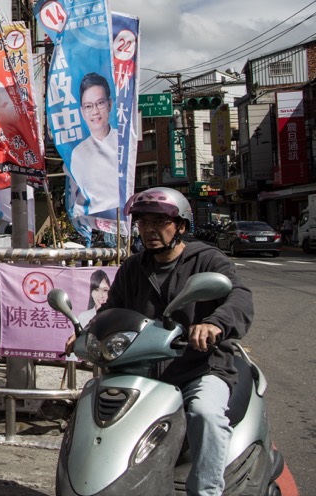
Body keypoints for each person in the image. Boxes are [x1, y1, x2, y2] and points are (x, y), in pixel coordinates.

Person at [74, 187, 253, 496]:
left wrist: (213, 324)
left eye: (159, 221)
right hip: (143, 368)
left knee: (205, 414)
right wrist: (88, 332)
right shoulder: (134, 267)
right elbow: (111, 309)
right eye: (143, 222)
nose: (149, 230)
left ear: (181, 226)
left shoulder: (207, 260)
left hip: (198, 367)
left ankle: (207, 491)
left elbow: (239, 297)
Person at [67, 72, 120, 215]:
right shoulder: (77, 153)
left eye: (100, 103)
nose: (95, 112)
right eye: (88, 106)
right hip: (92, 218)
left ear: (109, 104)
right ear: (82, 112)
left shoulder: (123, 143)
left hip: (121, 216)